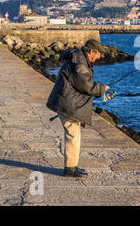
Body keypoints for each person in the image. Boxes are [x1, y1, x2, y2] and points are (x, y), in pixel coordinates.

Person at [46, 40, 110, 177]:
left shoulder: (79, 60)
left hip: (68, 101)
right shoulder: (79, 64)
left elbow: (83, 84)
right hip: (68, 103)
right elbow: (86, 85)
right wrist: (101, 88)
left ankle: (72, 165)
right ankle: (70, 168)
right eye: (98, 54)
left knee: (73, 135)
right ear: (91, 51)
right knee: (72, 136)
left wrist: (99, 89)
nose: (99, 57)